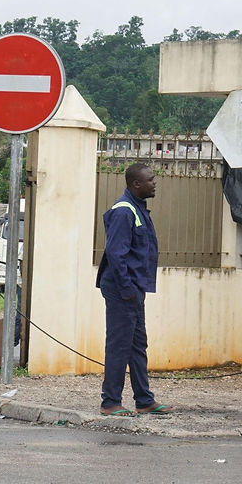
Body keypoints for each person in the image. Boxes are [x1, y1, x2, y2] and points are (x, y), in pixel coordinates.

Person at [95, 163, 173, 416]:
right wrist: (128, 289)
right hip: (122, 289)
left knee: (138, 344)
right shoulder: (124, 212)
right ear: (135, 184)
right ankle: (110, 402)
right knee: (119, 344)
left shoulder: (138, 209)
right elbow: (116, 256)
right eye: (150, 179)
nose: (155, 182)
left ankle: (144, 399)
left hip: (134, 289)